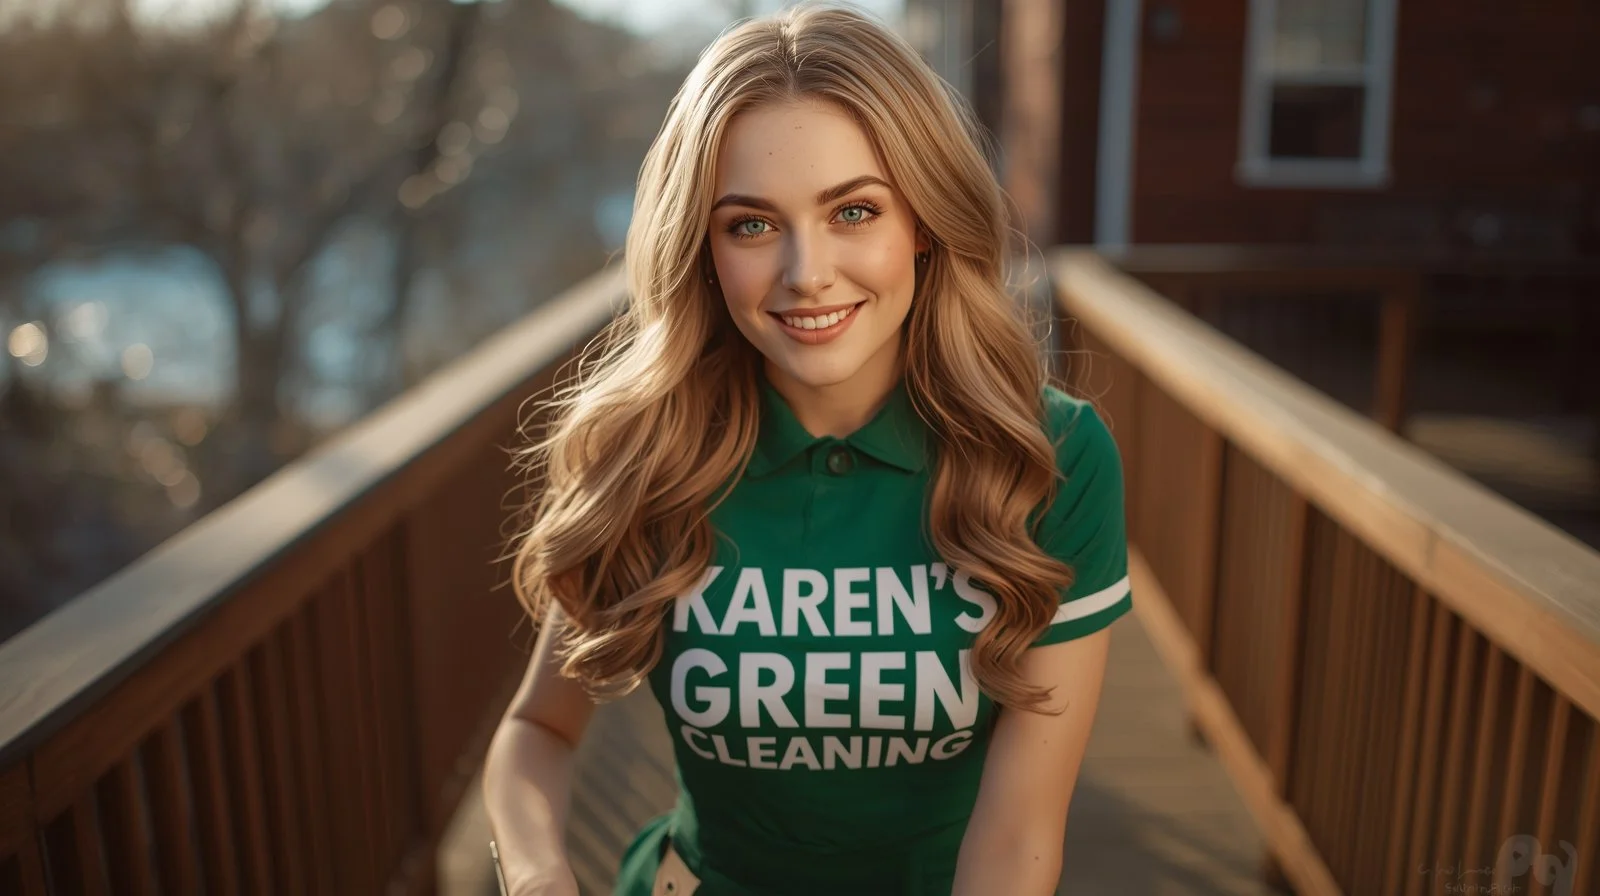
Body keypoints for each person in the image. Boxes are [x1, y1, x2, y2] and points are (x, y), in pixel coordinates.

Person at [481, 3, 1132, 894]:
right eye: (751, 224)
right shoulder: (649, 449)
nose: (806, 272)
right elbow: (538, 732)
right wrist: (535, 876)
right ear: (703, 249)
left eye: (854, 211)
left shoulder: (1052, 456)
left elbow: (1019, 833)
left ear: (925, 223)